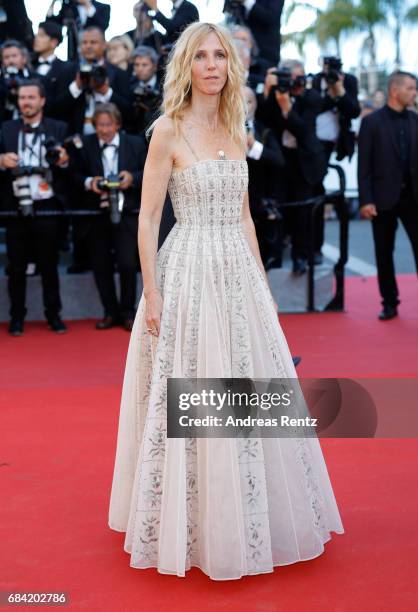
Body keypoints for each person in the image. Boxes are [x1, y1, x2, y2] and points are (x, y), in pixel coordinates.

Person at [108, 22, 343, 581]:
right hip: (187, 270)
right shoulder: (166, 130)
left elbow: (242, 215)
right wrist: (154, 290)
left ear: (230, 66)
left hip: (235, 270)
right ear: (185, 67)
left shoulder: (237, 126)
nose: (212, 65)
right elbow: (146, 219)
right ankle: (191, 521)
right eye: (200, 57)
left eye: (220, 56)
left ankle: (243, 511)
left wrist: (260, 286)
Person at [0, 80, 69, 336]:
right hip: (16, 205)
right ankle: (16, 317)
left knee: (49, 264)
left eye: (31, 97)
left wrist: (63, 160)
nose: (25, 102)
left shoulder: (59, 128)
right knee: (16, 266)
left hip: (47, 205)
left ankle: (54, 315)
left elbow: (70, 167)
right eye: (22, 98)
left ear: (42, 100)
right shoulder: (6, 129)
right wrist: (1, 160)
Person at [72, 103, 146, 331]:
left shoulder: (134, 143)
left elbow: (150, 171)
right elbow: (72, 174)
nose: (104, 130)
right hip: (96, 214)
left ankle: (127, 312)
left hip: (127, 213)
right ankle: (109, 312)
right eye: (100, 125)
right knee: (100, 265)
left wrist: (131, 178)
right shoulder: (85, 145)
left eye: (108, 124)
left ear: (118, 124)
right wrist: (89, 183)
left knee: (127, 263)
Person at [358, 71, 418, 321]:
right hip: (383, 198)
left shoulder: (415, 120)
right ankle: (389, 302)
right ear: (395, 90)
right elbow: (364, 165)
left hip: (414, 198)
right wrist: (366, 200)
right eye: (411, 88)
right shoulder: (372, 122)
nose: (414, 93)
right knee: (384, 253)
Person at [258, 60, 327, 275]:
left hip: (304, 161)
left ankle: (301, 257)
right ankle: (274, 256)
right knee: (277, 208)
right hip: (280, 160)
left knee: (303, 212)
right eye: (290, 76)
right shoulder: (274, 95)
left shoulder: (312, 98)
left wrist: (287, 107)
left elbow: (304, 131)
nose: (295, 81)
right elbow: (262, 118)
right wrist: (269, 90)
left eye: (300, 76)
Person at [312, 56, 360, 263]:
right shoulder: (314, 81)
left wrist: (339, 91)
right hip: (314, 143)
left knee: (320, 190)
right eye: (327, 69)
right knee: (315, 189)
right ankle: (314, 247)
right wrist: (331, 96)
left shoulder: (348, 80)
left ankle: (317, 247)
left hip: (336, 142)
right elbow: (315, 108)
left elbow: (354, 111)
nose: (330, 73)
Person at [53, 27, 130, 135]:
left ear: (104, 45)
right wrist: (77, 86)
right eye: (84, 43)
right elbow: (56, 109)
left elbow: (128, 111)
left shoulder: (118, 73)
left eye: (93, 42)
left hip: (109, 135)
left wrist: (105, 91)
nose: (88, 46)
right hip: (75, 137)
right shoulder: (68, 71)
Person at [32, 22, 66, 113]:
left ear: (54, 42)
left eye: (41, 36)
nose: (36, 39)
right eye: (37, 35)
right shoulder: (28, 64)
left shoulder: (65, 68)